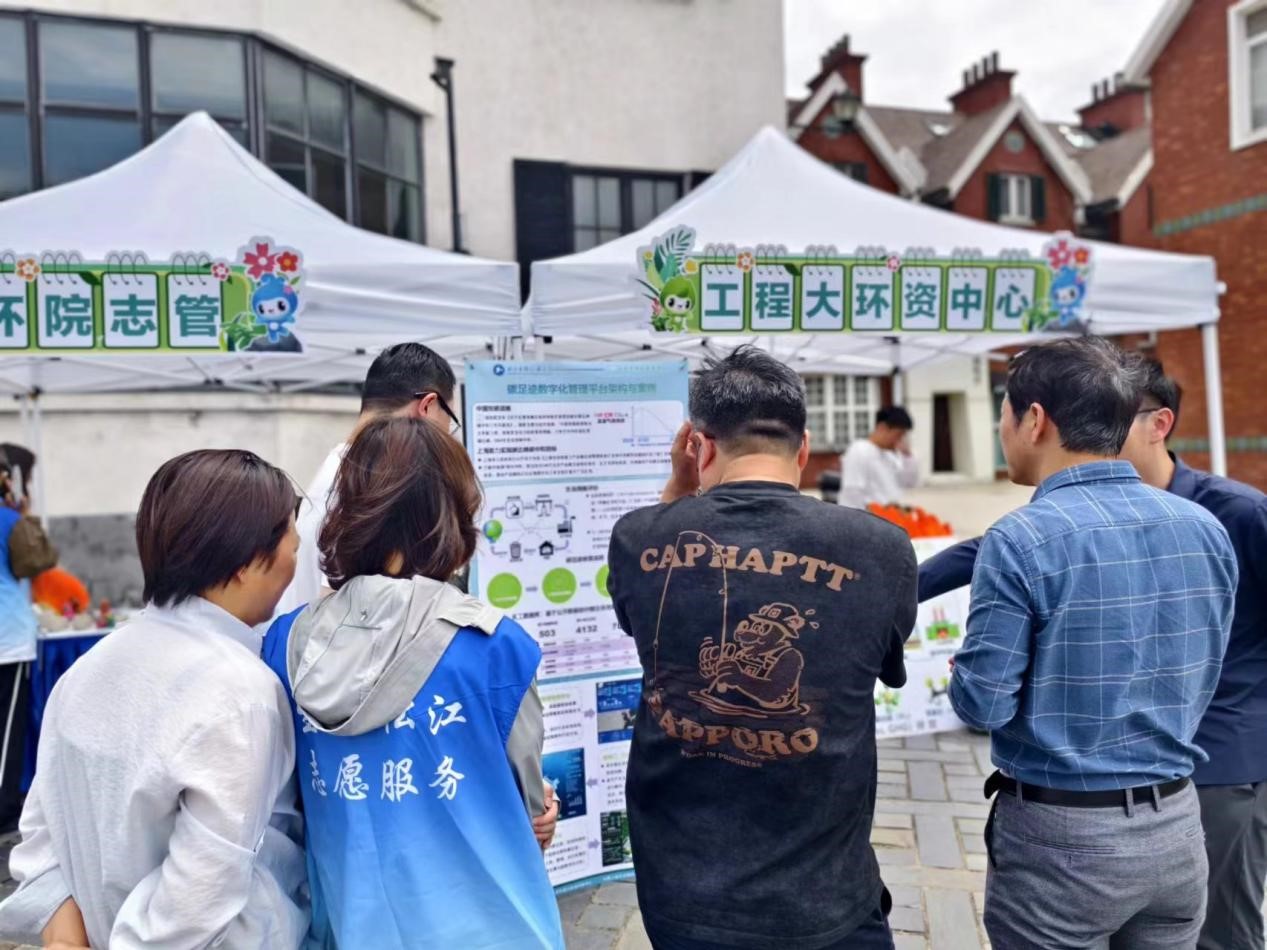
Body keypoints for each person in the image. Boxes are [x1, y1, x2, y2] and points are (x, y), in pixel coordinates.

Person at [923, 360, 1267, 950]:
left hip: (1063, 837)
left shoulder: (1023, 536)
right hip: (1176, 825)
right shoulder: (1204, 527)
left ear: (1034, 420)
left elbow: (983, 705)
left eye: (1001, 415)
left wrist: (973, 671)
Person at [606, 346, 917, 950]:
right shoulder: (881, 548)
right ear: (803, 449)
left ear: (699, 447)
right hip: (824, 896)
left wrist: (676, 497)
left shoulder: (637, 536)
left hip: (682, 894)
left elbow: (640, 612)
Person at [263, 416, 564, 949]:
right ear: (453, 514)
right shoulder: (497, 646)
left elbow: (286, 806)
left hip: (351, 928)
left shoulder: (286, 643)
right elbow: (529, 809)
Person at [0, 450, 308, 948]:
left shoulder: (87, 668)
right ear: (249, 560)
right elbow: (199, 893)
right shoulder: (240, 691)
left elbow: (41, 825)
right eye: (293, 539)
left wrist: (64, 932)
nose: (297, 556)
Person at [274, 341, 462, 618]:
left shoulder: (343, 467)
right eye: (450, 420)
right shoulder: (369, 480)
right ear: (427, 406)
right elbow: (338, 602)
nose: (447, 434)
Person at [0, 452, 37, 834]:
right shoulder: (10, 521)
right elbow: (37, 561)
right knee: (8, 729)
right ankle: (3, 808)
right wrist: (25, 517)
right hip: (8, 638)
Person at [838, 406, 919, 509]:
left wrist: (907, 455)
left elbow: (909, 482)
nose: (899, 440)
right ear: (882, 428)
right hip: (868, 515)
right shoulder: (859, 450)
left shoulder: (891, 455)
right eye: (898, 435)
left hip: (889, 513)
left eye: (903, 436)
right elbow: (852, 492)